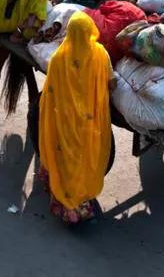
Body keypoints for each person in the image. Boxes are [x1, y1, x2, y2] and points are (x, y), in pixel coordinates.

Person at [38, 11, 116, 224]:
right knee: (85, 158)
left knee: (64, 155)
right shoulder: (100, 53)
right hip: (90, 122)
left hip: (65, 122)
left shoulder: (59, 58)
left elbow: (49, 93)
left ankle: (65, 201)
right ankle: (80, 200)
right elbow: (112, 83)